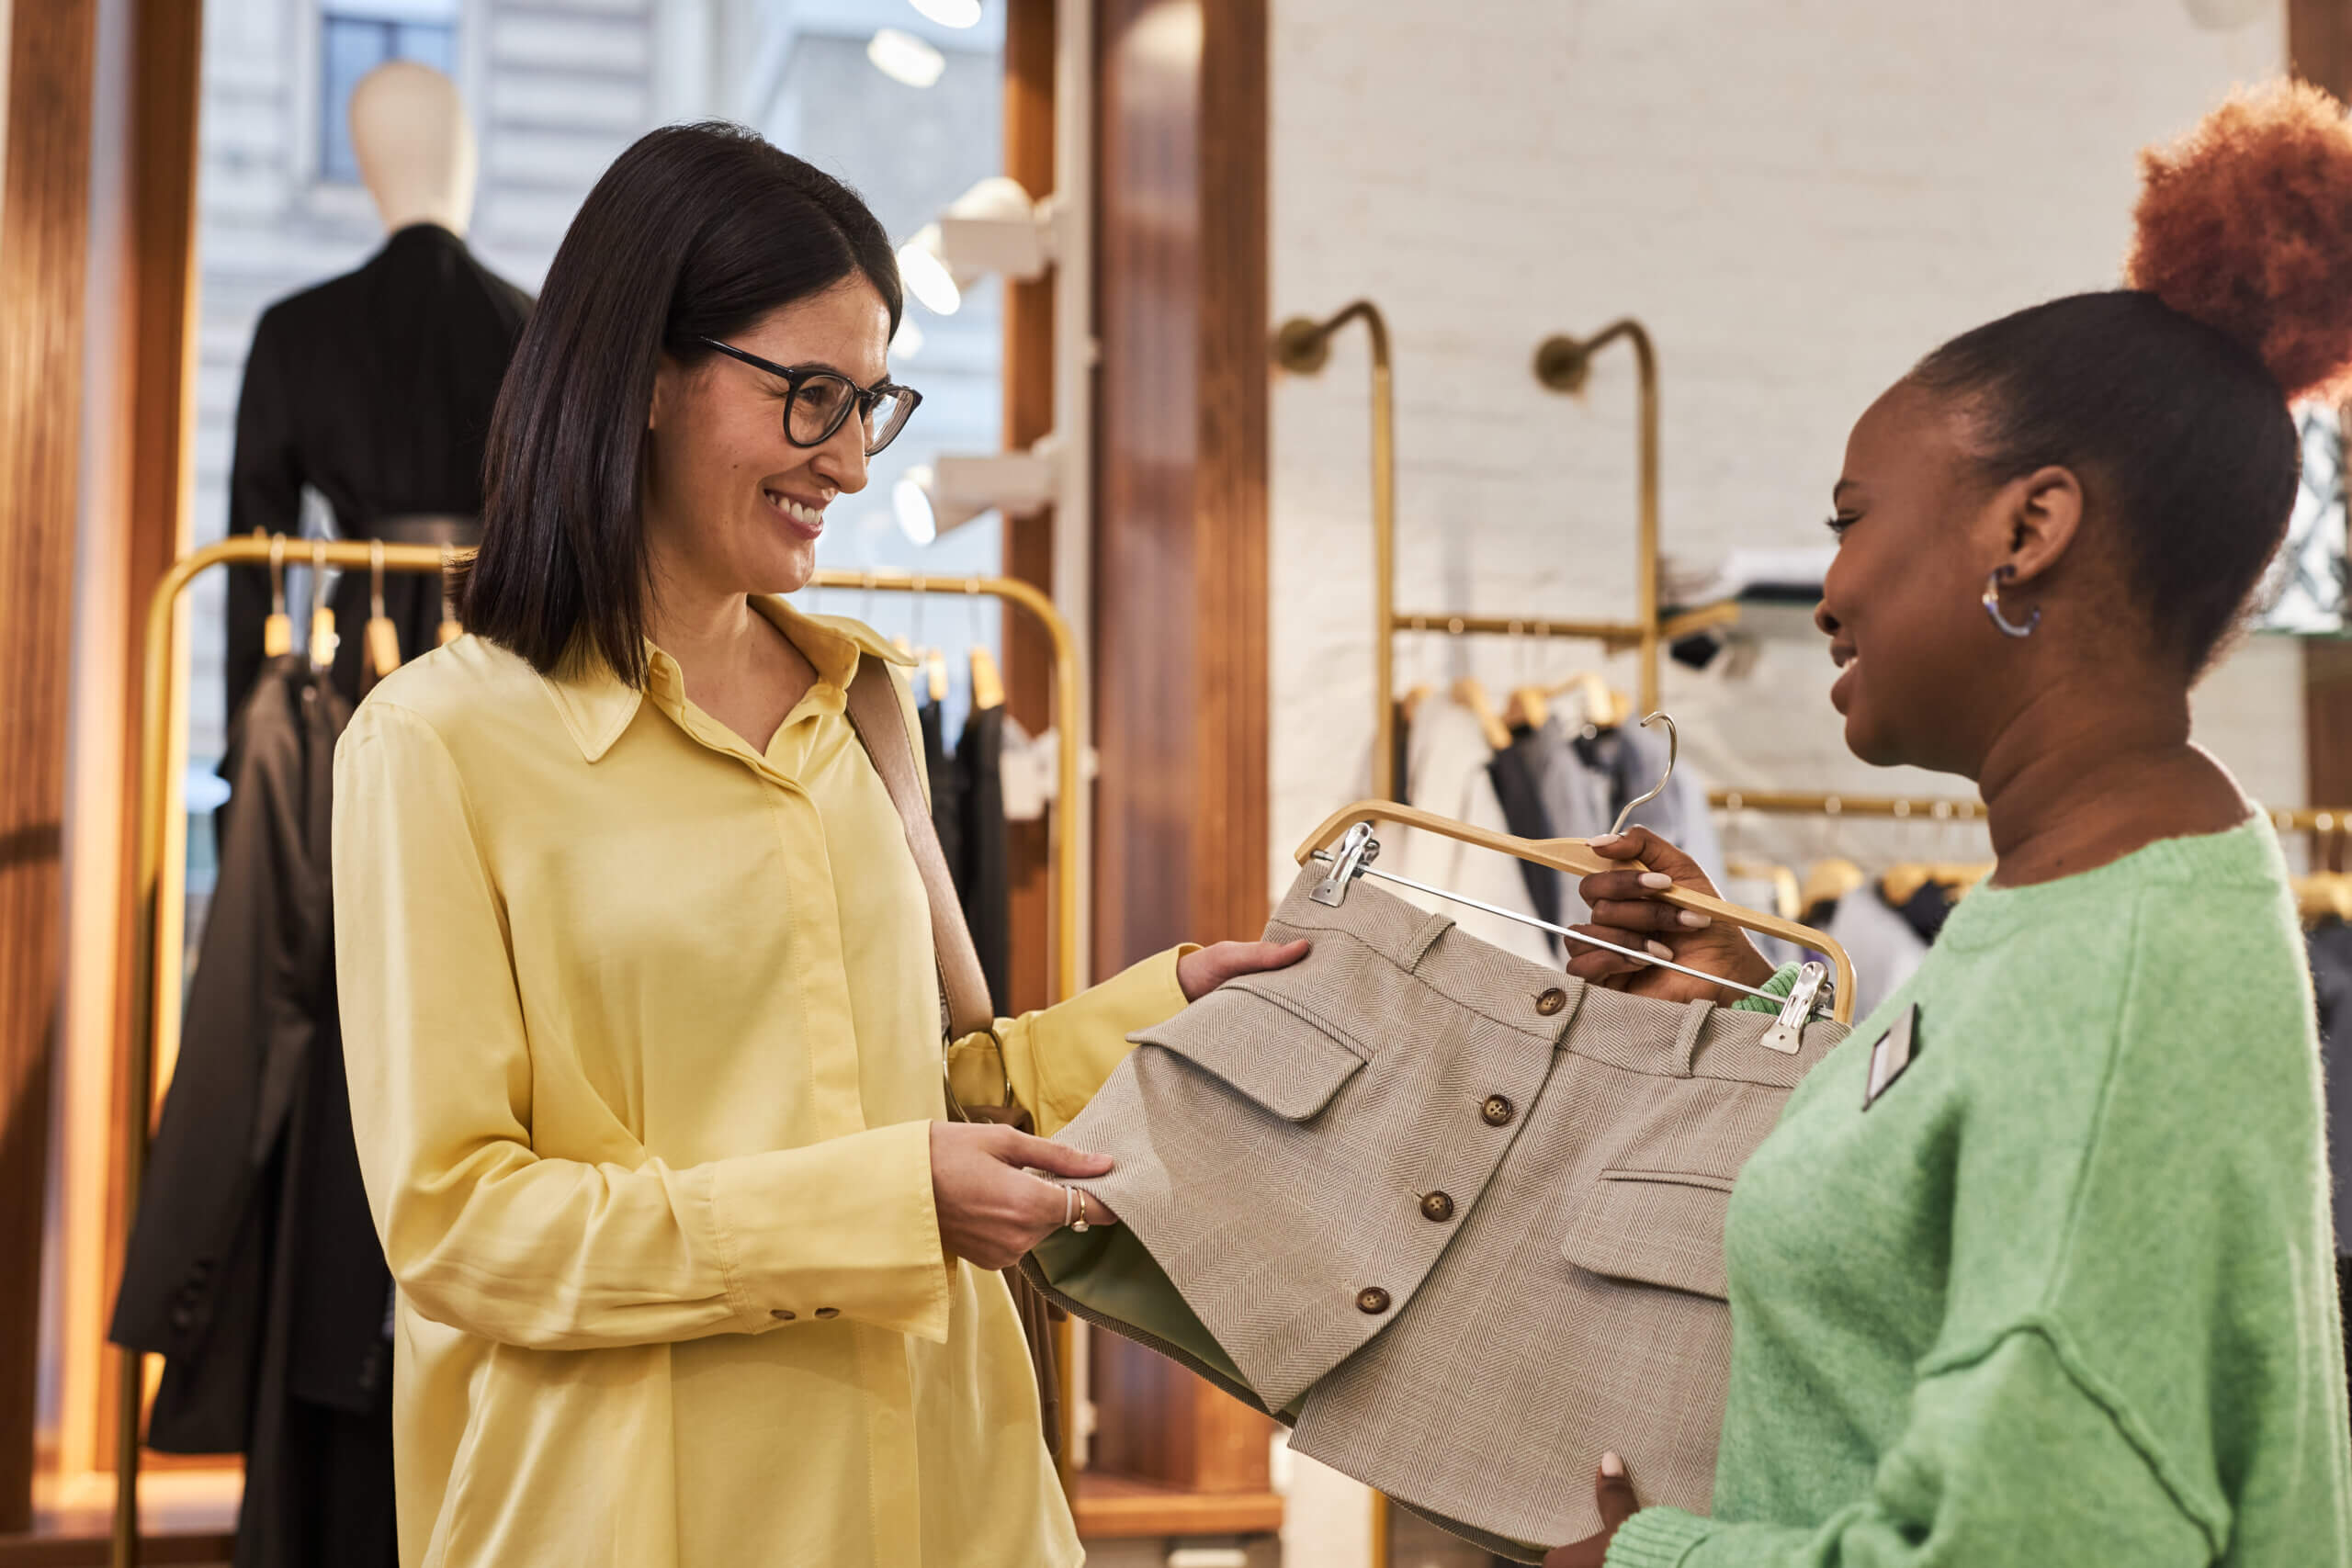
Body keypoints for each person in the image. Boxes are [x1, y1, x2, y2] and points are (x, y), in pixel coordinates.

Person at [330, 122, 1305, 1568]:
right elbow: (464, 1231)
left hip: (951, 1490)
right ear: (647, 377)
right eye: (809, 397)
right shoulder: (437, 745)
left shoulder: (867, 707)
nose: (849, 460)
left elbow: (948, 1087)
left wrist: (1172, 1008)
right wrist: (883, 1201)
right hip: (636, 1519)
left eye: (873, 401)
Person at [1544, 85, 2352, 1566]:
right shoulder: (2076, 897)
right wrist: (1748, 988)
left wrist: (1657, 1565)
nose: (1835, 584)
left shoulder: (2118, 967)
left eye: (1854, 515)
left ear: (2027, 529)